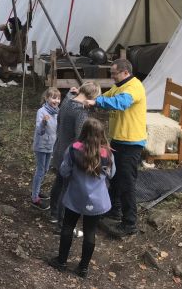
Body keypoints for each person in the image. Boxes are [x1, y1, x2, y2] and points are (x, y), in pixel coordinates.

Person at [84, 58, 146, 237]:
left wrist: (96, 103)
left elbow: (120, 103)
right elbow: (106, 97)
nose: (112, 76)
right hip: (119, 140)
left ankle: (129, 223)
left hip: (131, 142)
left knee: (127, 184)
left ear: (125, 72)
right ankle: (114, 210)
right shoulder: (119, 85)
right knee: (116, 178)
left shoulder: (133, 87)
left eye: (114, 73)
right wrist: (88, 97)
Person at [49, 118, 115, 278]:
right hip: (97, 200)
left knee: (68, 227)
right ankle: (83, 268)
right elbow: (111, 174)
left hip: (75, 197)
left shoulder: (73, 149)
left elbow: (64, 171)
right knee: (90, 232)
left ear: (83, 132)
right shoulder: (107, 153)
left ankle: (61, 261)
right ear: (101, 135)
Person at [50, 82, 101, 227]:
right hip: (69, 152)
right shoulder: (81, 111)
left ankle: (53, 213)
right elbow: (80, 137)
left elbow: (59, 120)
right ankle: (61, 222)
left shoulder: (67, 101)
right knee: (66, 188)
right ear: (91, 97)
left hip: (59, 146)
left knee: (59, 182)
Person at [30, 88, 60, 210]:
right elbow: (40, 131)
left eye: (58, 98)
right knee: (41, 170)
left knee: (46, 169)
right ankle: (34, 198)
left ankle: (36, 190)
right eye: (53, 97)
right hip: (41, 146)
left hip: (51, 146)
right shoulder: (41, 111)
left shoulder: (57, 112)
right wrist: (43, 122)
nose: (56, 100)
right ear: (47, 98)